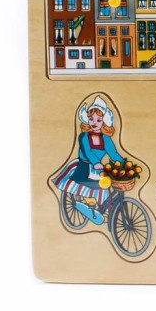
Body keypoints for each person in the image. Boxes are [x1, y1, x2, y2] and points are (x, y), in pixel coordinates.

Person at [52, 95, 125, 225]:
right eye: (91, 119)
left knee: (106, 187)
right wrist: (96, 162)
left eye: (98, 120)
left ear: (104, 121)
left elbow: (113, 154)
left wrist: (124, 165)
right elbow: (87, 151)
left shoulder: (106, 139)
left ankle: (104, 211)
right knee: (91, 184)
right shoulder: (84, 136)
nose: (94, 122)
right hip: (85, 165)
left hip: (99, 168)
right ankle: (87, 201)